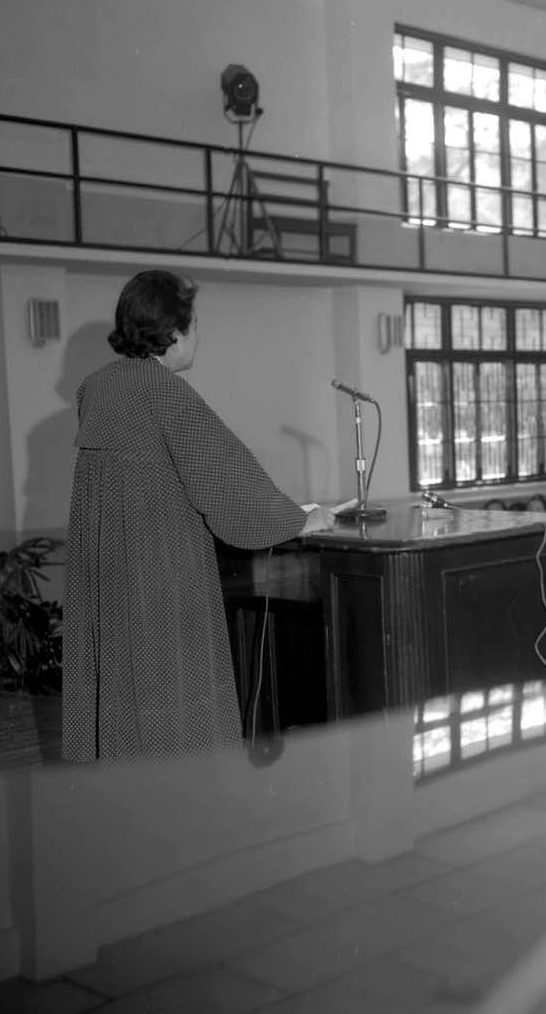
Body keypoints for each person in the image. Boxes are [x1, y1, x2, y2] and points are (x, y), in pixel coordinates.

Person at [61, 270, 335, 761]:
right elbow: (223, 481)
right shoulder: (166, 393)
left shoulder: (95, 388)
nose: (197, 337)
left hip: (106, 574)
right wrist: (298, 519)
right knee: (174, 694)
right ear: (172, 333)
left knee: (121, 688)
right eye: (194, 326)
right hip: (160, 573)